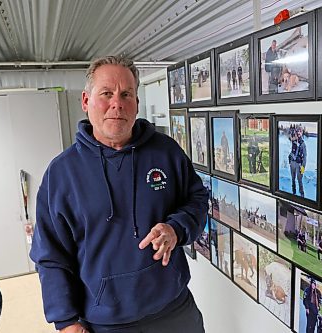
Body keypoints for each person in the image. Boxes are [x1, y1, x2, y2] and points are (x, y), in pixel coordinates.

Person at [30, 56, 209, 333]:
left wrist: (175, 229)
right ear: (86, 101)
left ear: (137, 103)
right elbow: (50, 255)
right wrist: (66, 321)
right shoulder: (61, 174)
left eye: (127, 94)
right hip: (106, 323)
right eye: (106, 93)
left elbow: (197, 200)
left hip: (175, 310)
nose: (117, 103)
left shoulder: (166, 151)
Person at [288, 127, 307, 197]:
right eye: (297, 131)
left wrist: (303, 167)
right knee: (293, 179)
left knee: (299, 180)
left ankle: (302, 195)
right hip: (292, 164)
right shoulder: (294, 141)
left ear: (302, 133)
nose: (298, 133)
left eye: (300, 131)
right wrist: (289, 159)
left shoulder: (303, 144)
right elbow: (292, 152)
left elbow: (305, 157)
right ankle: (294, 193)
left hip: (299, 165)